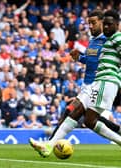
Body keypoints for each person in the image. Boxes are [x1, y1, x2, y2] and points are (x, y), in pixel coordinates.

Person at [29, 9, 121, 157]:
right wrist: (80, 58)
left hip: (99, 83)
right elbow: (93, 61)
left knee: (76, 113)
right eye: (88, 23)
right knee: (87, 117)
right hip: (90, 84)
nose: (90, 26)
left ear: (103, 23)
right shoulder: (94, 40)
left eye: (93, 23)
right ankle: (48, 145)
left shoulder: (109, 39)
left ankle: (49, 144)